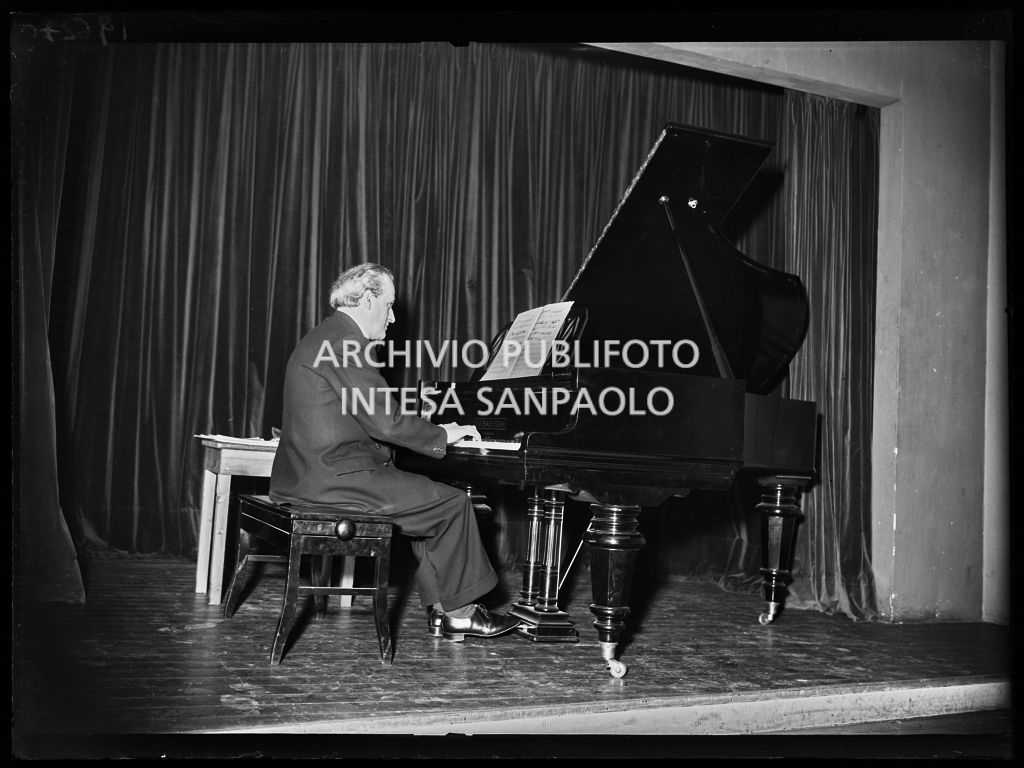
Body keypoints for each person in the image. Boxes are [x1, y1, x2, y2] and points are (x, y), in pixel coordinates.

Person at [269, 262, 519, 641]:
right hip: (331, 480)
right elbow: (385, 422)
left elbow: (370, 415)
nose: (392, 317)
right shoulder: (344, 342)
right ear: (368, 299)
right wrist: (441, 435)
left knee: (425, 502)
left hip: (314, 474)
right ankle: (460, 613)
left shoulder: (327, 336)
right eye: (388, 305)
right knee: (451, 504)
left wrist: (426, 431)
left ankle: (443, 611)